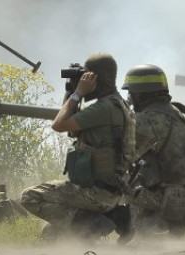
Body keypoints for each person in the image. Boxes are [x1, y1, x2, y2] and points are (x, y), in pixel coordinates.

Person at [20, 53, 137, 242]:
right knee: (50, 233)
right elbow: (72, 128)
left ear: (95, 79)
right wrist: (72, 90)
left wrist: (78, 93)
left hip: (95, 192)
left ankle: (93, 225)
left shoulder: (102, 109)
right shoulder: (117, 105)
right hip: (112, 191)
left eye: (86, 76)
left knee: (30, 197)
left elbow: (59, 125)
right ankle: (115, 217)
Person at [121, 64, 185, 237]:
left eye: (131, 93)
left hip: (159, 203)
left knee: (113, 180)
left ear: (141, 94)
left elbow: (122, 157)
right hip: (182, 204)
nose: (130, 98)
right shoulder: (176, 113)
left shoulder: (148, 120)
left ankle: (96, 230)